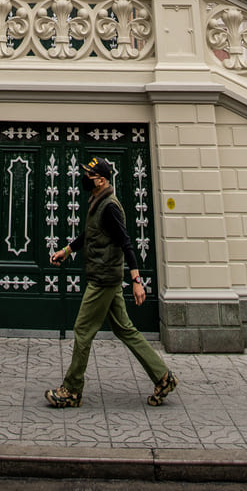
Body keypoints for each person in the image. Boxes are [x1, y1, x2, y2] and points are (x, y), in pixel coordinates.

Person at [45, 158, 177, 409]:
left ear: (102, 180)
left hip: (103, 279)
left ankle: (71, 390)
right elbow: (90, 233)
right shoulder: (98, 201)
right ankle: (163, 377)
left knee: (83, 331)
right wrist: (68, 249)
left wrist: (137, 280)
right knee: (125, 329)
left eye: (89, 174)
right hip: (107, 276)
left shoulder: (110, 207)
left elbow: (127, 242)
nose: (85, 178)